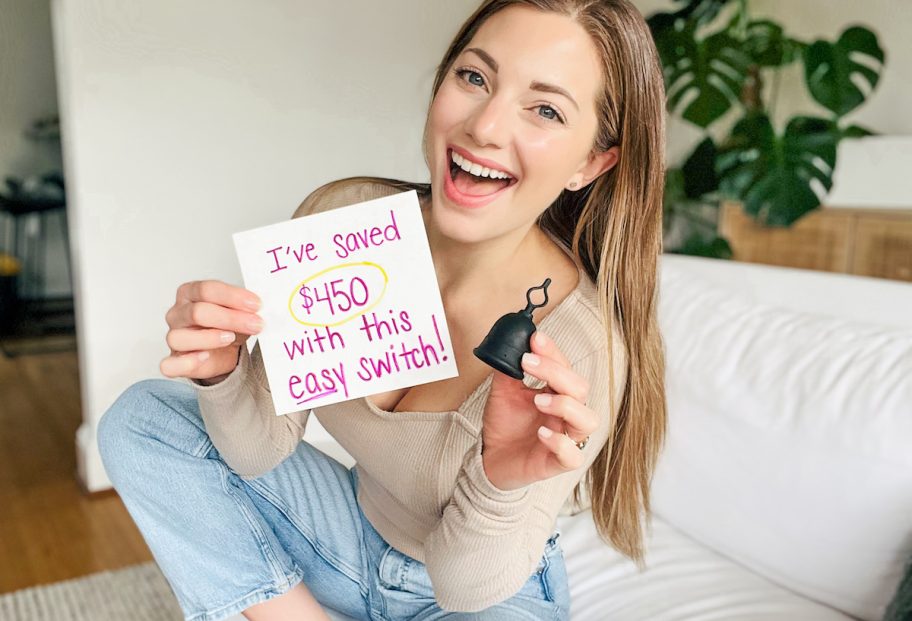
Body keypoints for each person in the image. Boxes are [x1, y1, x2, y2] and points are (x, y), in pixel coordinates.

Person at [97, 0, 667, 619]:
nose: (486, 127)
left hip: (480, 591)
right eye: (474, 77)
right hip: (344, 542)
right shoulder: (349, 222)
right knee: (145, 418)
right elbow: (259, 449)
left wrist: (500, 481)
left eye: (546, 110)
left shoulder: (580, 348)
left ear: (590, 162)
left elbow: (465, 588)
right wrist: (223, 372)